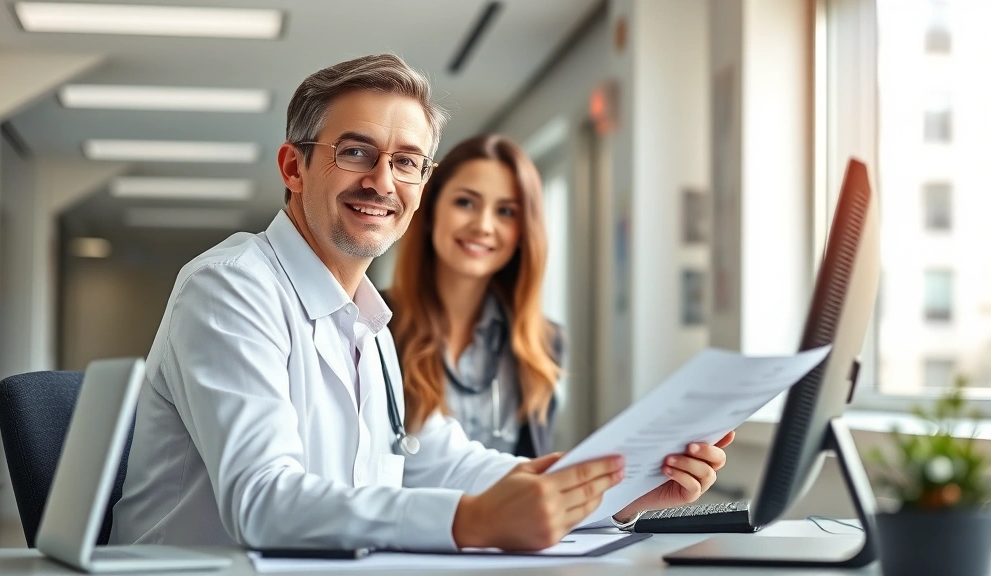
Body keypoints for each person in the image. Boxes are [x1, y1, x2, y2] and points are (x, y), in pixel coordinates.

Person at [109, 53, 733, 552]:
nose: (383, 182)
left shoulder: (370, 323)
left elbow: (448, 464)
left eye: (406, 162)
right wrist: (472, 523)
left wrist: (622, 490)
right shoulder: (231, 286)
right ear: (293, 168)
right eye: (355, 152)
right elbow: (263, 500)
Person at [385, 134, 563, 458]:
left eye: (506, 212)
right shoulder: (372, 322)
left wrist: (623, 505)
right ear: (430, 209)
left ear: (524, 231)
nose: (483, 226)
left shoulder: (545, 343)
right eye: (465, 203)